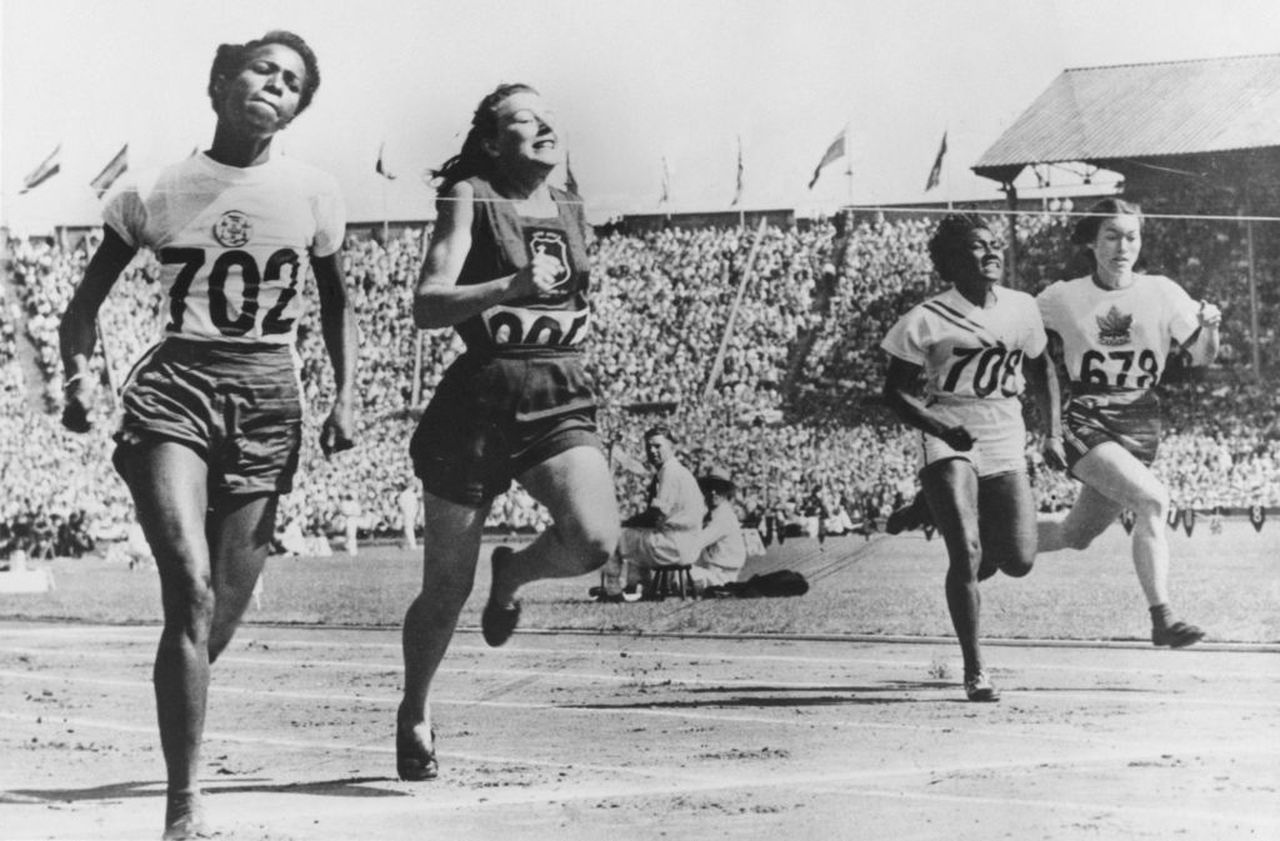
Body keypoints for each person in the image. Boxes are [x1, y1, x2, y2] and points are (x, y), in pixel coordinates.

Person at [58, 30, 356, 840]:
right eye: (264, 69)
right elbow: (80, 308)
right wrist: (80, 383)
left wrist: (345, 398)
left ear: (296, 109)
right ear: (222, 80)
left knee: (216, 611)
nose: (276, 85)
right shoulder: (155, 189)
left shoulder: (314, 194)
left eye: (293, 83)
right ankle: (184, 805)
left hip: (269, 396)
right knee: (188, 587)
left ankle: (176, 680)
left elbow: (338, 306)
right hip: (177, 389)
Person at [398, 83, 620, 781]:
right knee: (444, 589)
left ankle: (515, 572)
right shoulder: (469, 194)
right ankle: (415, 708)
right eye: (525, 118)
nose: (547, 124)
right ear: (494, 142)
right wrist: (508, 287)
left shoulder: (571, 202)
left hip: (559, 389)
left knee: (595, 538)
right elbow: (428, 305)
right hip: (481, 398)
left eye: (550, 114)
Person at [880, 214, 1058, 702]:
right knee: (967, 553)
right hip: (949, 435)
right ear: (954, 260)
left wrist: (1054, 432)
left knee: (1019, 560)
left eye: (995, 245)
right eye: (978, 247)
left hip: (1004, 432)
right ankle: (975, 668)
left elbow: (1042, 371)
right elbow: (894, 394)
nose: (992, 253)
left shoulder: (1022, 307)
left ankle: (926, 506)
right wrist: (940, 428)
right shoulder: (926, 318)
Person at [1036, 197, 1221, 648]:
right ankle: (1163, 618)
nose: (1123, 246)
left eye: (1131, 236)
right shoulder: (1063, 296)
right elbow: (1013, 327)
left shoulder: (1160, 290)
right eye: (1112, 236)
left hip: (1140, 421)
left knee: (1073, 534)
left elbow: (1200, 356)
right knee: (1154, 501)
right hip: (1088, 417)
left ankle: (991, 541)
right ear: (1093, 243)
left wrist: (1212, 327)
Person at [597, 425, 706, 601]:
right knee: (637, 536)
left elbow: (655, 514)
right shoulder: (676, 471)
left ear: (672, 446)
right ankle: (647, 589)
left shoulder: (670, 472)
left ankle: (613, 592)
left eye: (657, 446)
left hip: (674, 545)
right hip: (686, 544)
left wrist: (624, 522)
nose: (652, 451)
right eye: (649, 447)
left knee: (613, 536)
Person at [690, 466, 748, 592]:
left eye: (719, 489)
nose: (713, 492)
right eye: (710, 487)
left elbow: (696, 542)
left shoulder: (724, 515)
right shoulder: (710, 513)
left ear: (726, 492)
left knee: (678, 574)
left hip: (722, 576)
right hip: (710, 571)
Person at [397, 480, 420, 550]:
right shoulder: (412, 494)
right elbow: (417, 505)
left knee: (408, 529)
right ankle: (406, 545)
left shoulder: (403, 495)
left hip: (407, 513)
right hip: (412, 513)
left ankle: (412, 545)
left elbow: (400, 505)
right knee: (408, 528)